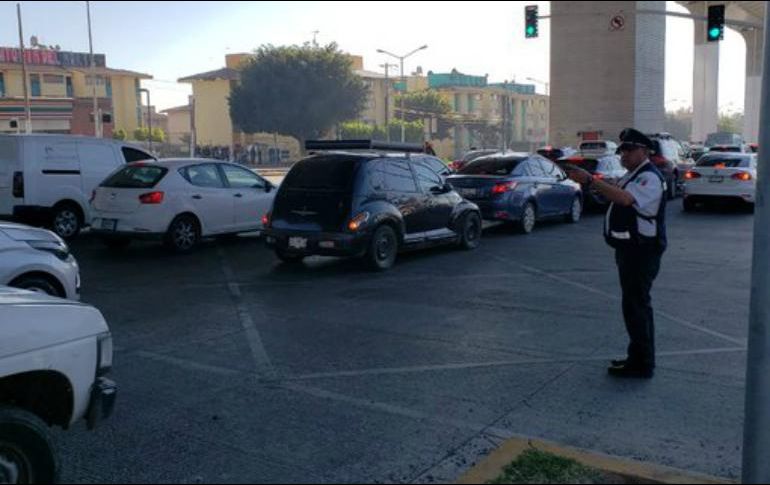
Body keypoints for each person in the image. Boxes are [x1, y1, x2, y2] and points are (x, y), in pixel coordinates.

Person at [566, 128, 667, 379]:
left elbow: (624, 200)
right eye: (622, 150)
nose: (624, 154)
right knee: (633, 305)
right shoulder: (634, 174)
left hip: (642, 251)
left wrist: (590, 180)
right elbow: (618, 191)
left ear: (644, 151)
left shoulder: (649, 177)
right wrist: (598, 184)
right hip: (630, 249)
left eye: (630, 150)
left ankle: (642, 364)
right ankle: (637, 358)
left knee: (637, 306)